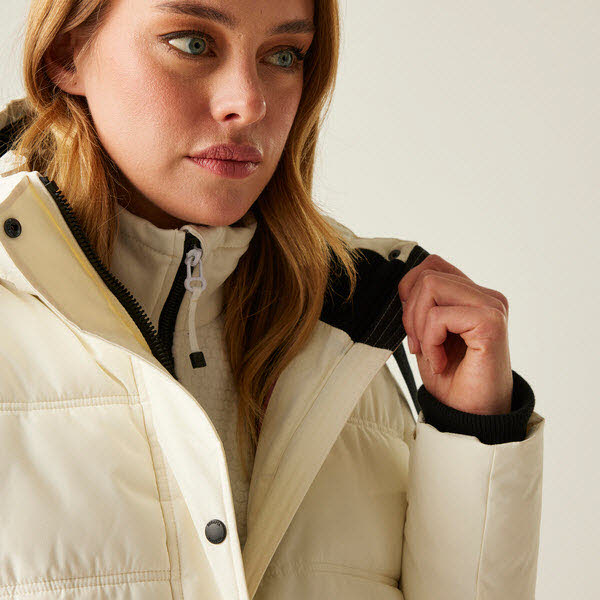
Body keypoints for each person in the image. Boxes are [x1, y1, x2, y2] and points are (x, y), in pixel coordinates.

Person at [0, 1, 545, 599]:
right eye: (192, 43)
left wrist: (472, 431)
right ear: (66, 53)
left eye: (284, 56)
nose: (250, 101)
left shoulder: (355, 339)